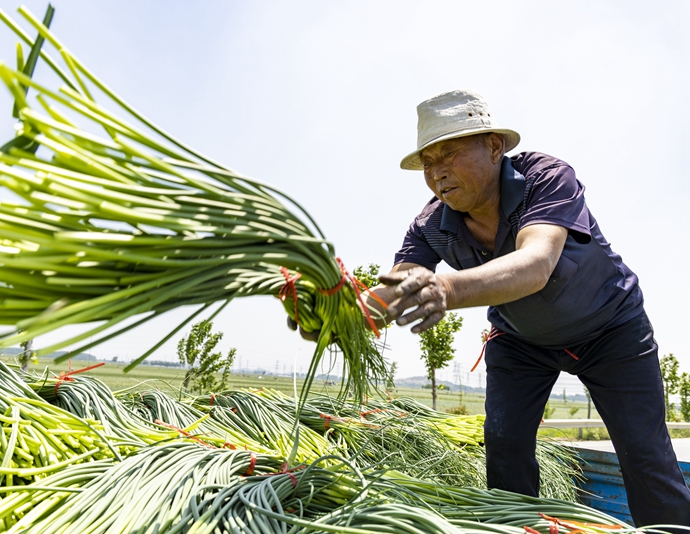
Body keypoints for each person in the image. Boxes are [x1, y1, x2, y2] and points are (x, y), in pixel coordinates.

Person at [293, 89, 690, 526]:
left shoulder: (546, 178)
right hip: (522, 343)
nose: (437, 173)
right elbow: (399, 285)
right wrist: (341, 317)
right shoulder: (429, 224)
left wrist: (446, 289)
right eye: (427, 162)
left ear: (495, 147)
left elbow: (535, 264)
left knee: (646, 458)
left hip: (611, 329)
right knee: (504, 446)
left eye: (449, 154)